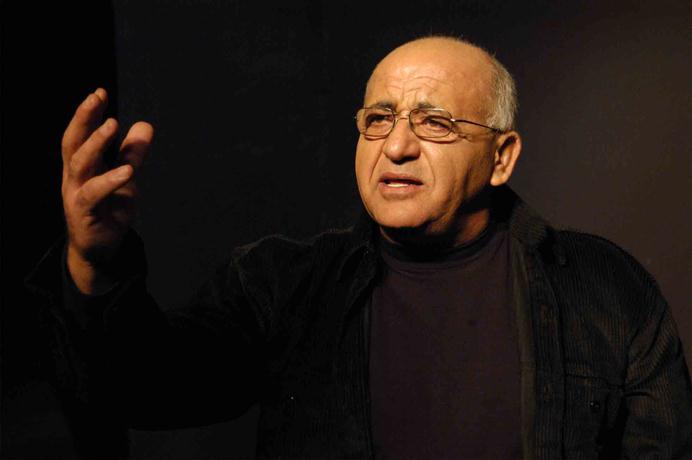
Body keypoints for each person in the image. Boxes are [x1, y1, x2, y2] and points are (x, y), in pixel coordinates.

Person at [26, 36, 692, 459]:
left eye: (434, 122)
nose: (396, 146)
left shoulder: (604, 287)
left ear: (502, 157)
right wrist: (95, 263)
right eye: (378, 119)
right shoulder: (281, 283)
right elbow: (145, 391)